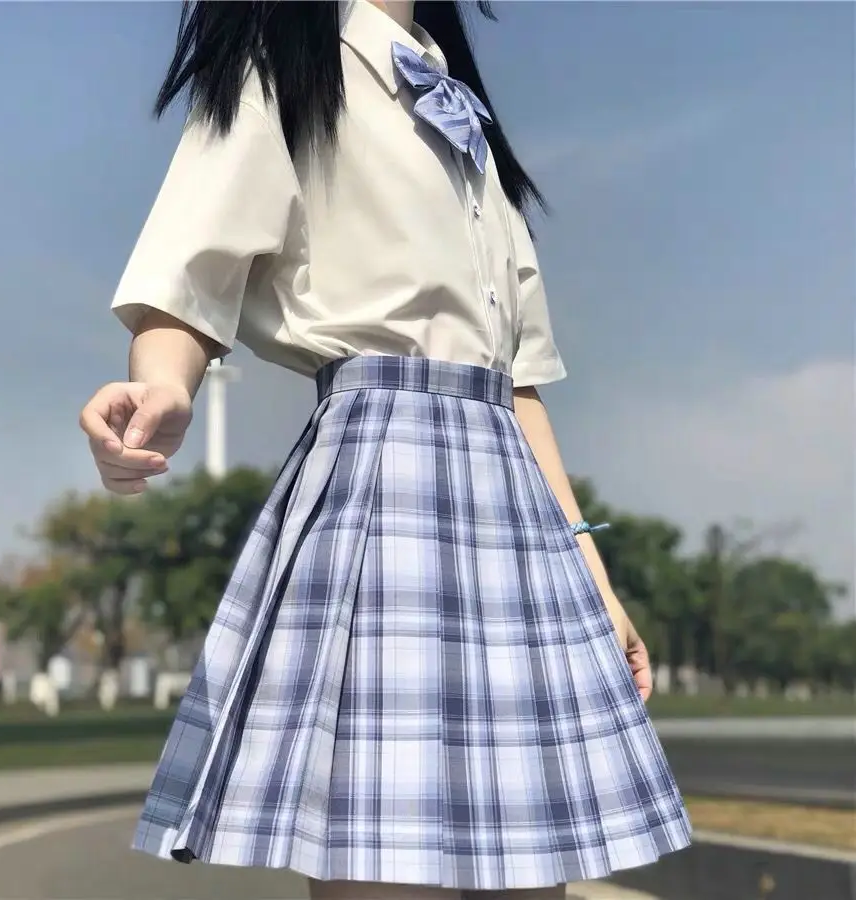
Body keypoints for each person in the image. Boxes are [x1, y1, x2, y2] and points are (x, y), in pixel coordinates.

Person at [78, 1, 692, 898]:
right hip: (385, 484)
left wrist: (592, 573)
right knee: (381, 848)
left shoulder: (464, 113)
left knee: (531, 865)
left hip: (512, 514)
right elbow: (190, 280)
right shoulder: (288, 69)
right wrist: (164, 384)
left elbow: (517, 383)